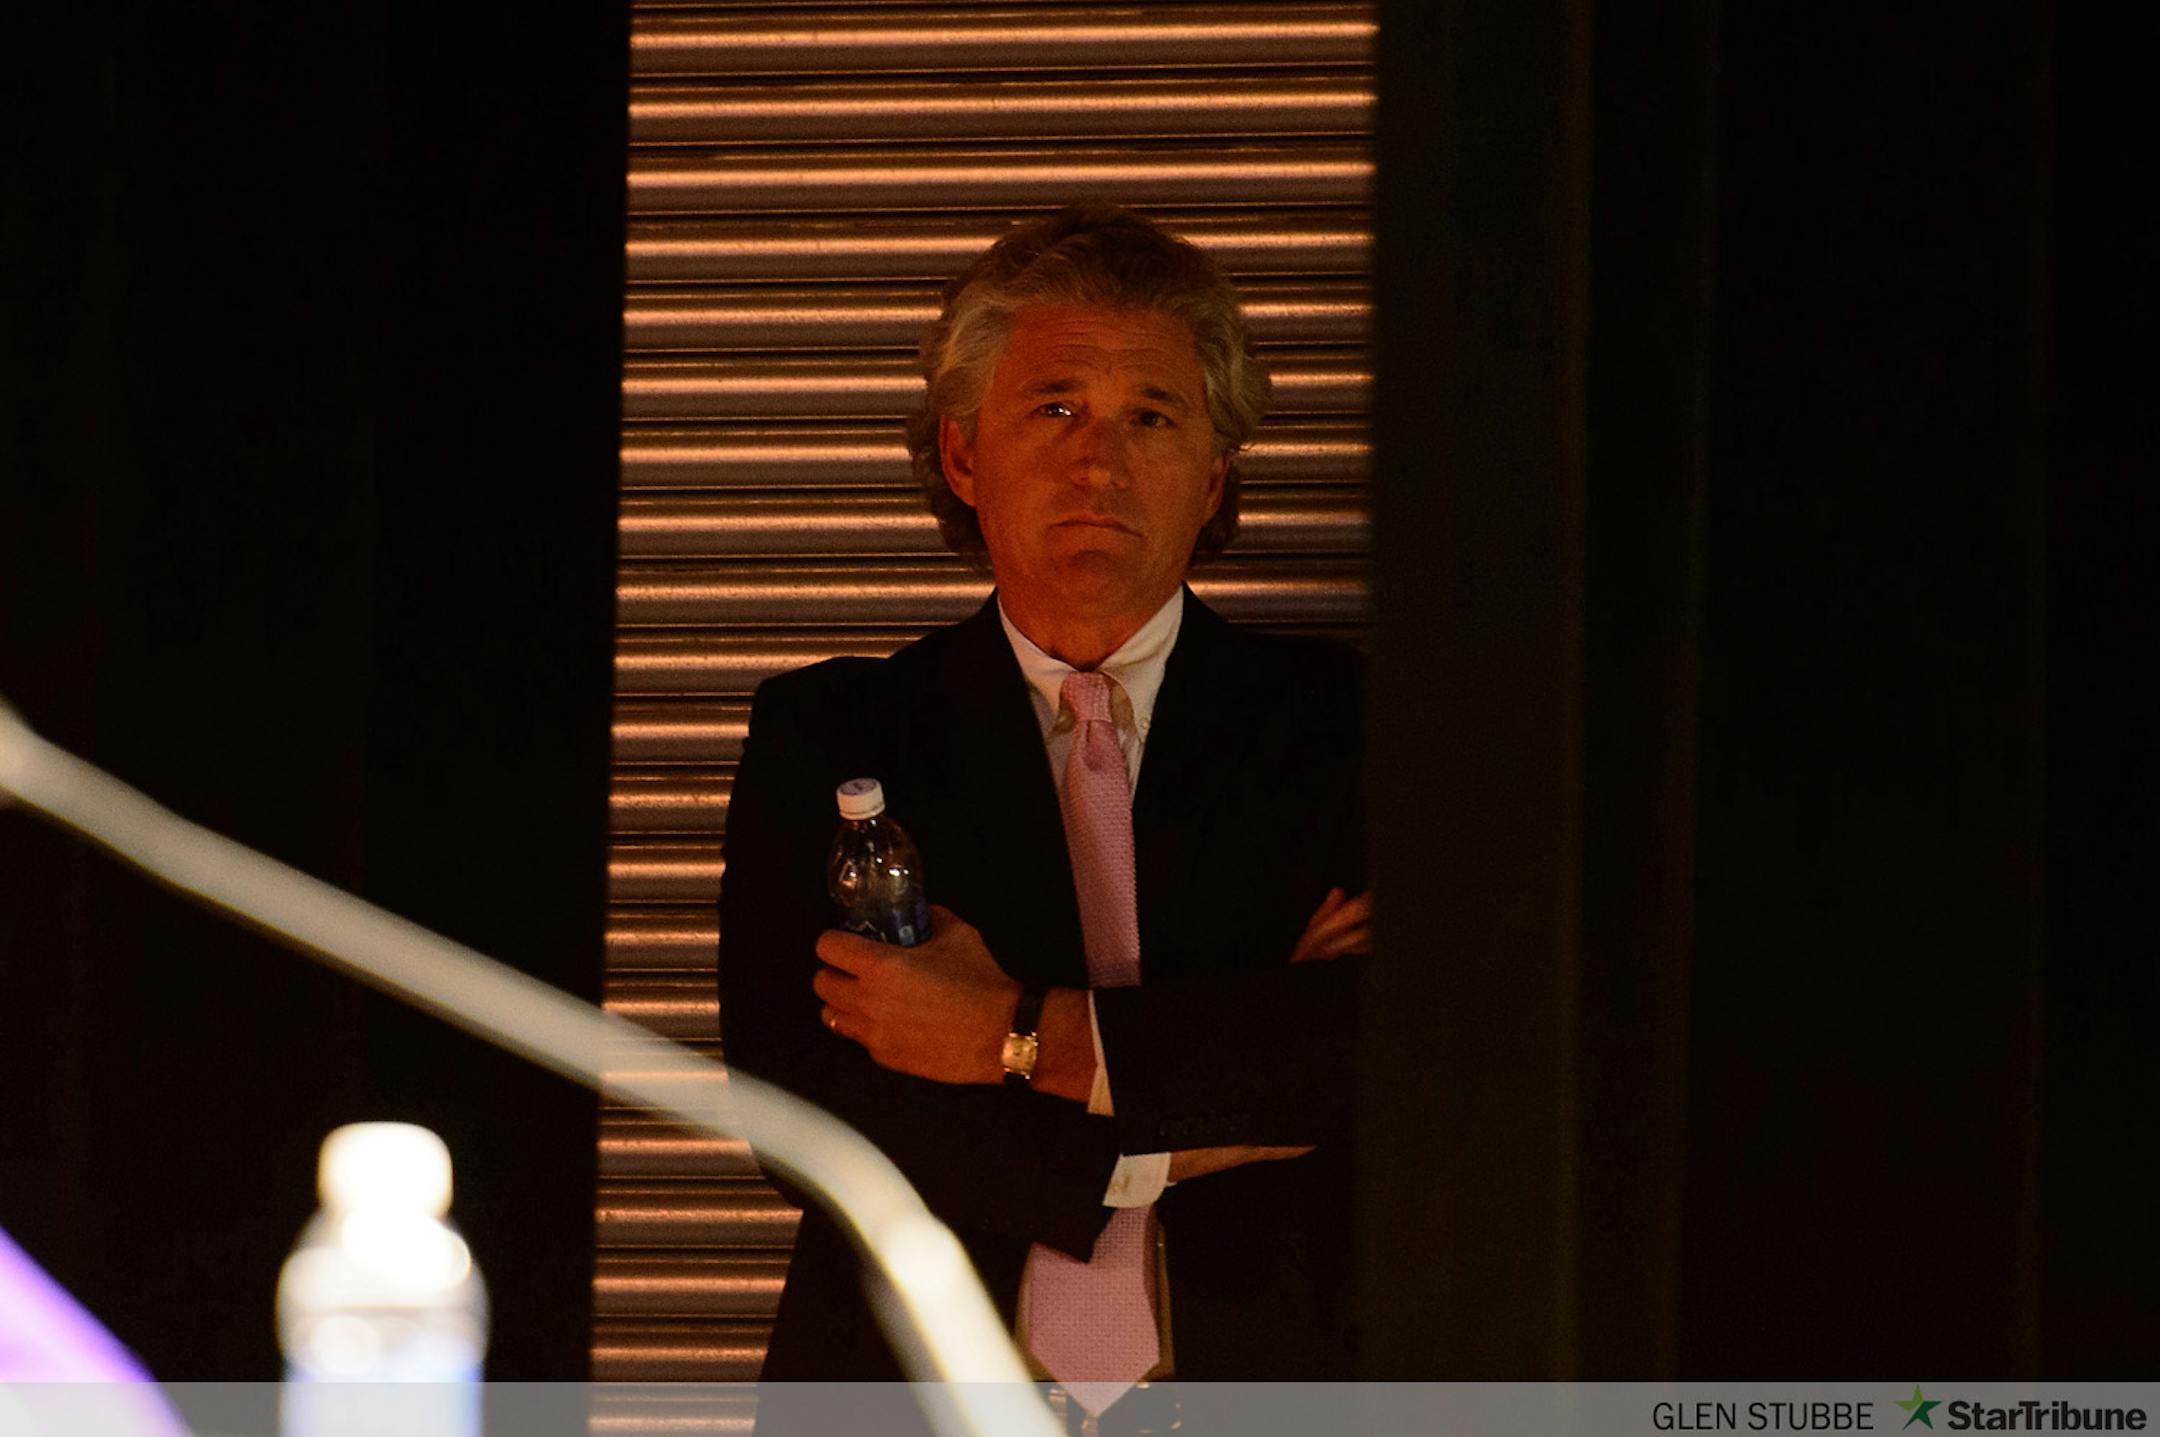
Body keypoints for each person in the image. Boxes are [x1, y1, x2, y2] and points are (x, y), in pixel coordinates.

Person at [717, 205, 1370, 1422]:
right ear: (964, 453)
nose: (1100, 464)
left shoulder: (1350, 727)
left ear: (1217, 470)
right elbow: (806, 1103)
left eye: (1153, 416)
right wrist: (1206, 1110)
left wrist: (1011, 1035)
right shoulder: (835, 735)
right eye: (1055, 407)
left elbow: (1376, 1052)